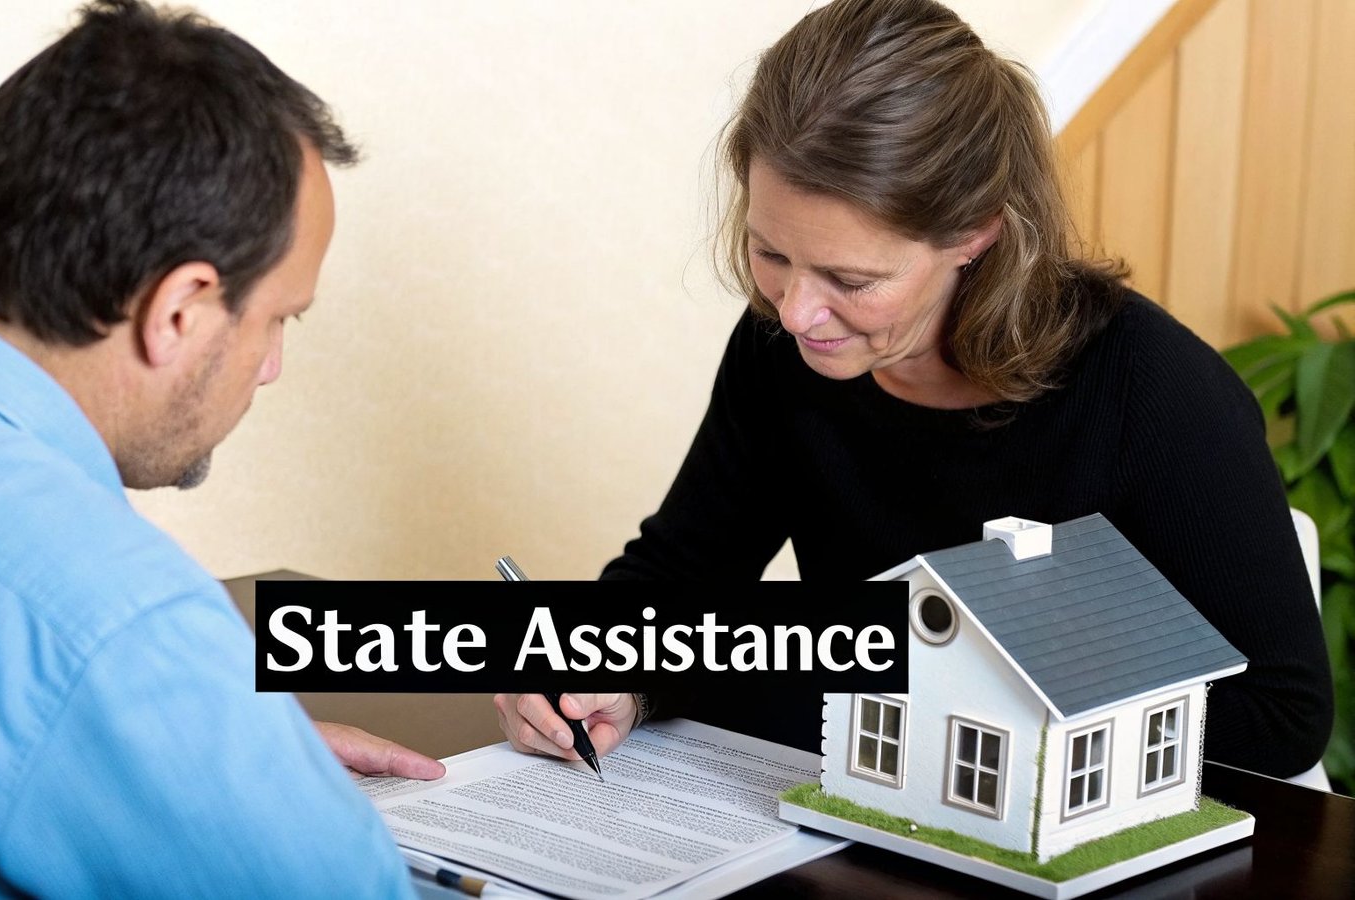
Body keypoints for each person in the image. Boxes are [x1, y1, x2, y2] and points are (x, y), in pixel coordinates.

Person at [496, 0, 1332, 780]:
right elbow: (681, 573)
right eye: (772, 254)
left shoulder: (1149, 388)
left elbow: (1283, 715)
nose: (796, 312)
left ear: (977, 234)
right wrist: (602, 669)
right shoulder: (778, 352)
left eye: (850, 277)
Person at [0, 1, 440, 895]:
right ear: (182, 310)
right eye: (278, 320)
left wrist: (195, 754)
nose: (269, 369)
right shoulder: (116, 623)